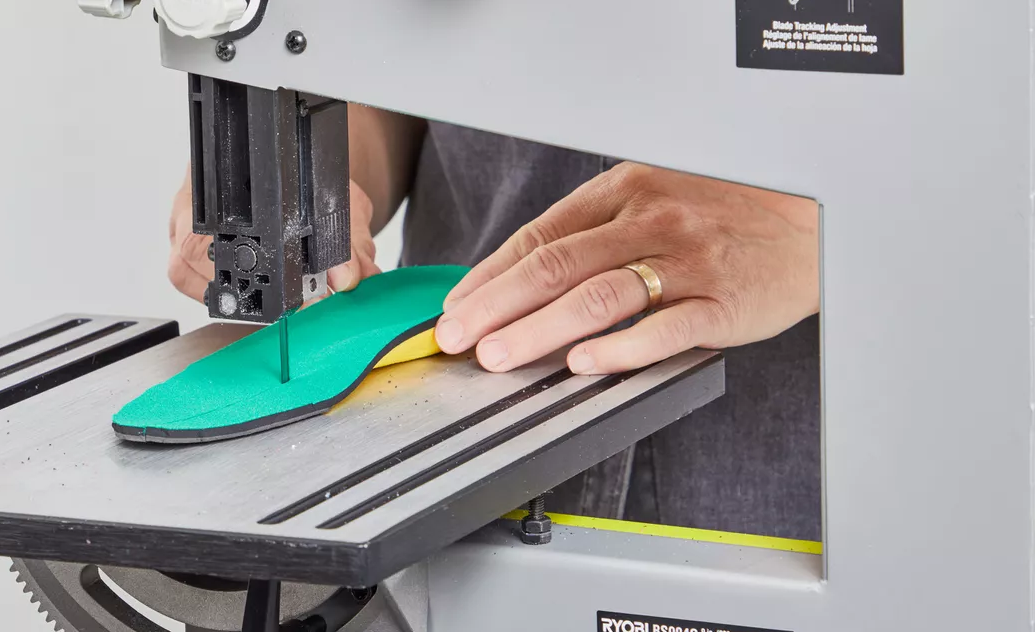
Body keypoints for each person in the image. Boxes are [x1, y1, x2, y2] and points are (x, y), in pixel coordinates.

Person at [168, 106, 821, 539]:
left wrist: (826, 230)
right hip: (441, 445)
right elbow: (395, 84)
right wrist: (311, 161)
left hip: (794, 486)